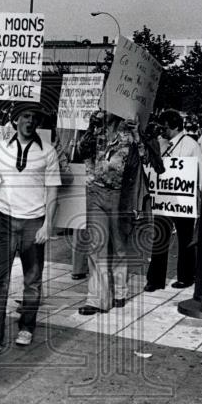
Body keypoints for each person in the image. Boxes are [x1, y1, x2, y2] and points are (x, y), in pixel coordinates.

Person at [0, 103, 62, 353]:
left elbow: (52, 189)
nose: (30, 121)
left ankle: (26, 327)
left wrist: (48, 225)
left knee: (32, 280)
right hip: (4, 219)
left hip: (34, 220)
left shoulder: (48, 152)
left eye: (34, 117)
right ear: (15, 120)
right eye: (25, 116)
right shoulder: (2, 147)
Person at [77, 111, 152, 314]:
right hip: (96, 192)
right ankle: (96, 299)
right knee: (96, 244)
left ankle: (119, 290)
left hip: (122, 196)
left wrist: (137, 136)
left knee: (119, 246)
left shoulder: (130, 129)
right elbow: (80, 151)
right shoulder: (96, 128)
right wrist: (90, 129)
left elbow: (147, 161)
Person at [145, 110, 202, 291]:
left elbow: (199, 172)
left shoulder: (191, 145)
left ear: (176, 126)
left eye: (165, 127)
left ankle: (186, 276)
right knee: (160, 237)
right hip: (163, 198)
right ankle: (155, 279)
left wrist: (198, 197)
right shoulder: (160, 143)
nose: (162, 130)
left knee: (185, 238)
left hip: (183, 201)